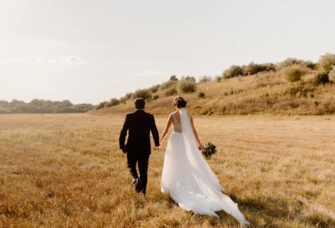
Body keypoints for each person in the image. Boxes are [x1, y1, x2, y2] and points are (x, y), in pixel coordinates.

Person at [158, 96, 249, 227]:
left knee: (175, 162)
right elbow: (193, 131)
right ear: (185, 105)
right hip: (186, 141)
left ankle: (174, 182)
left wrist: (160, 141)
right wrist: (200, 144)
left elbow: (166, 130)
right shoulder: (189, 115)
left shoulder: (172, 115)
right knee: (188, 163)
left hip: (175, 140)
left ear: (175, 105)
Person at [119, 98, 160, 195]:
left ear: (135, 106)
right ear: (144, 106)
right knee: (143, 170)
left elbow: (123, 132)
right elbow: (154, 131)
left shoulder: (129, 116)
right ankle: (143, 192)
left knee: (131, 166)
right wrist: (157, 144)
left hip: (132, 147)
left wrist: (122, 145)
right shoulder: (150, 117)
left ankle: (135, 179)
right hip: (145, 148)